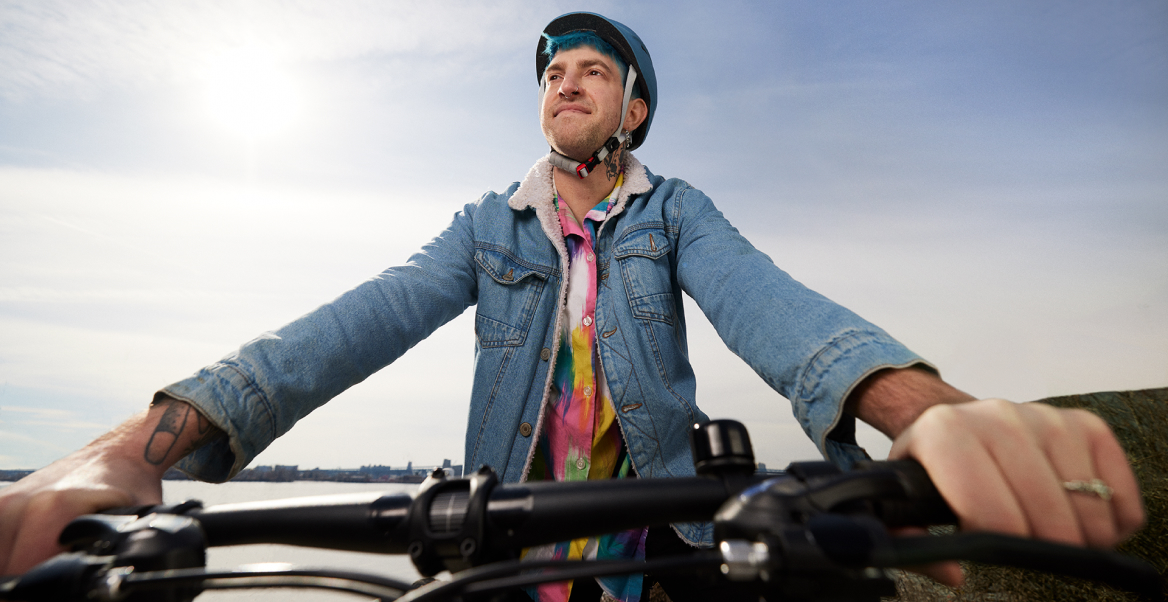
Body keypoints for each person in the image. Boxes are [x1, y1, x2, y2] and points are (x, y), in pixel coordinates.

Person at [0, 12, 1144, 602]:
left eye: (592, 67)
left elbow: (769, 304)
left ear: (633, 108)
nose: (564, 79)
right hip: (499, 536)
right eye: (552, 68)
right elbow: (354, 320)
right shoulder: (485, 228)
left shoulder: (674, 211)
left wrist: (925, 409)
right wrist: (127, 449)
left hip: (664, 540)